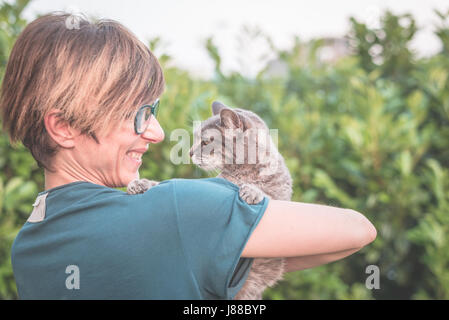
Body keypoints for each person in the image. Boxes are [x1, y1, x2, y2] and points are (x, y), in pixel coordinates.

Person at [0, 12, 376, 300]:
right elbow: (357, 230)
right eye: (139, 115)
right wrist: (230, 204)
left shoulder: (29, 245)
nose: (158, 133)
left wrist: (220, 244)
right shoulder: (178, 212)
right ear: (63, 127)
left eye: (154, 111)